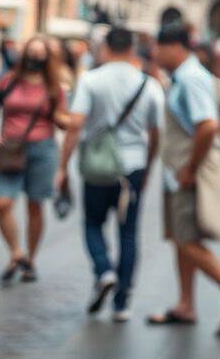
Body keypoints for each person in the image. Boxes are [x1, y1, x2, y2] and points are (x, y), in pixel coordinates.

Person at [147, 23, 220, 335]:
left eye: (158, 47)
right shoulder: (183, 76)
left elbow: (207, 125)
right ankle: (186, 304)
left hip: (187, 172)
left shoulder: (191, 78)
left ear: (175, 48)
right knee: (182, 238)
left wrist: (191, 168)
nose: (154, 54)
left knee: (186, 239)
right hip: (179, 170)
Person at [59, 26, 164, 322]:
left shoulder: (91, 80)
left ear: (105, 49)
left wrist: (62, 166)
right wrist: (149, 165)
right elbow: (156, 133)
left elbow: (76, 124)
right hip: (133, 167)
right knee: (128, 233)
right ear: (132, 50)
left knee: (93, 223)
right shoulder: (149, 85)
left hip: (97, 166)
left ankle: (104, 270)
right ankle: (122, 303)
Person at [0, 36, 71, 284]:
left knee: (35, 205)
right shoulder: (8, 80)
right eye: (31, 52)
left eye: (40, 54)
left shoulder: (54, 87)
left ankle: (30, 259)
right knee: (2, 203)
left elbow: (62, 119)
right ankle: (15, 252)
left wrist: (70, 121)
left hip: (43, 149)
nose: (35, 57)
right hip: (10, 149)